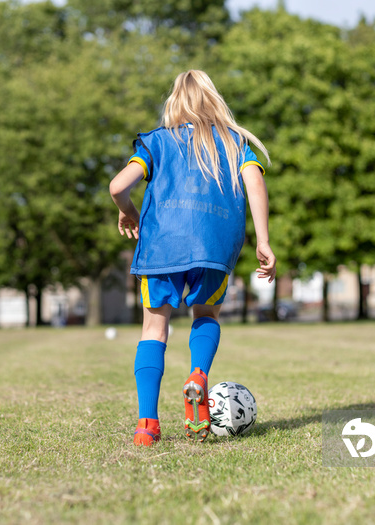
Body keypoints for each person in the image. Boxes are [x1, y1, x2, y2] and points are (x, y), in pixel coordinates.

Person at [109, 70, 276, 446]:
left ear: (174, 103)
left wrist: (127, 211)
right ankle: (199, 374)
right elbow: (255, 183)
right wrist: (263, 240)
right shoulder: (235, 143)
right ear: (214, 100)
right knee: (206, 315)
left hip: (161, 249)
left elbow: (117, 186)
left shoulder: (158, 143)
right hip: (214, 249)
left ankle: (147, 426)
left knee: (154, 331)